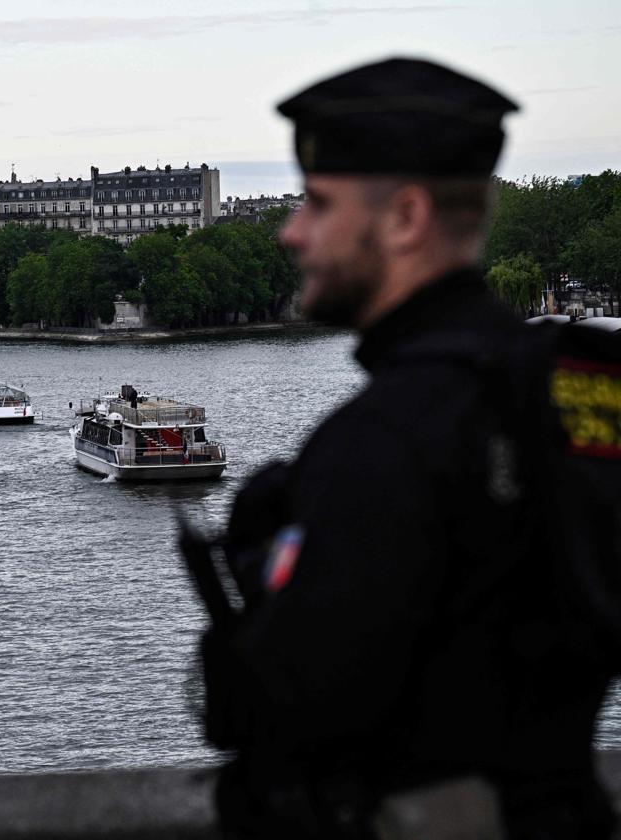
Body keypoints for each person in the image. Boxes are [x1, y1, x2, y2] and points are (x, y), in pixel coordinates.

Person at [197, 58, 615, 838]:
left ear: (405, 218)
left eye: (318, 204)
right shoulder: (580, 389)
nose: (291, 231)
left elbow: (275, 711)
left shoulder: (385, 436)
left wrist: (265, 580)